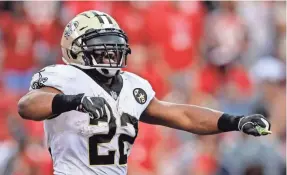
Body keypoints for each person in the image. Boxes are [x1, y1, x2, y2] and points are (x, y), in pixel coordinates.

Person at [17, 10, 271, 175]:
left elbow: (182, 116)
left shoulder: (131, 84)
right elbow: (28, 106)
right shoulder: (63, 77)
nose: (110, 54)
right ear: (75, 49)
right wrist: (74, 101)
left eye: (113, 46)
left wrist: (234, 121)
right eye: (99, 47)